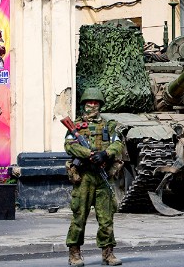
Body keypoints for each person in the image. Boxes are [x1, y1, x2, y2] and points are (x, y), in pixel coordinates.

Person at [65, 87, 125, 266]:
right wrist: (88, 153)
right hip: (83, 177)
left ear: (100, 105)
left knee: (106, 218)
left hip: (103, 176)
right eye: (89, 103)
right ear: (84, 105)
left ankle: (108, 253)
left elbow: (118, 145)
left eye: (96, 103)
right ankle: (74, 254)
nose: (92, 105)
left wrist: (105, 154)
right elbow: (69, 145)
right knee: (79, 217)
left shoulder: (109, 125)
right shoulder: (75, 126)